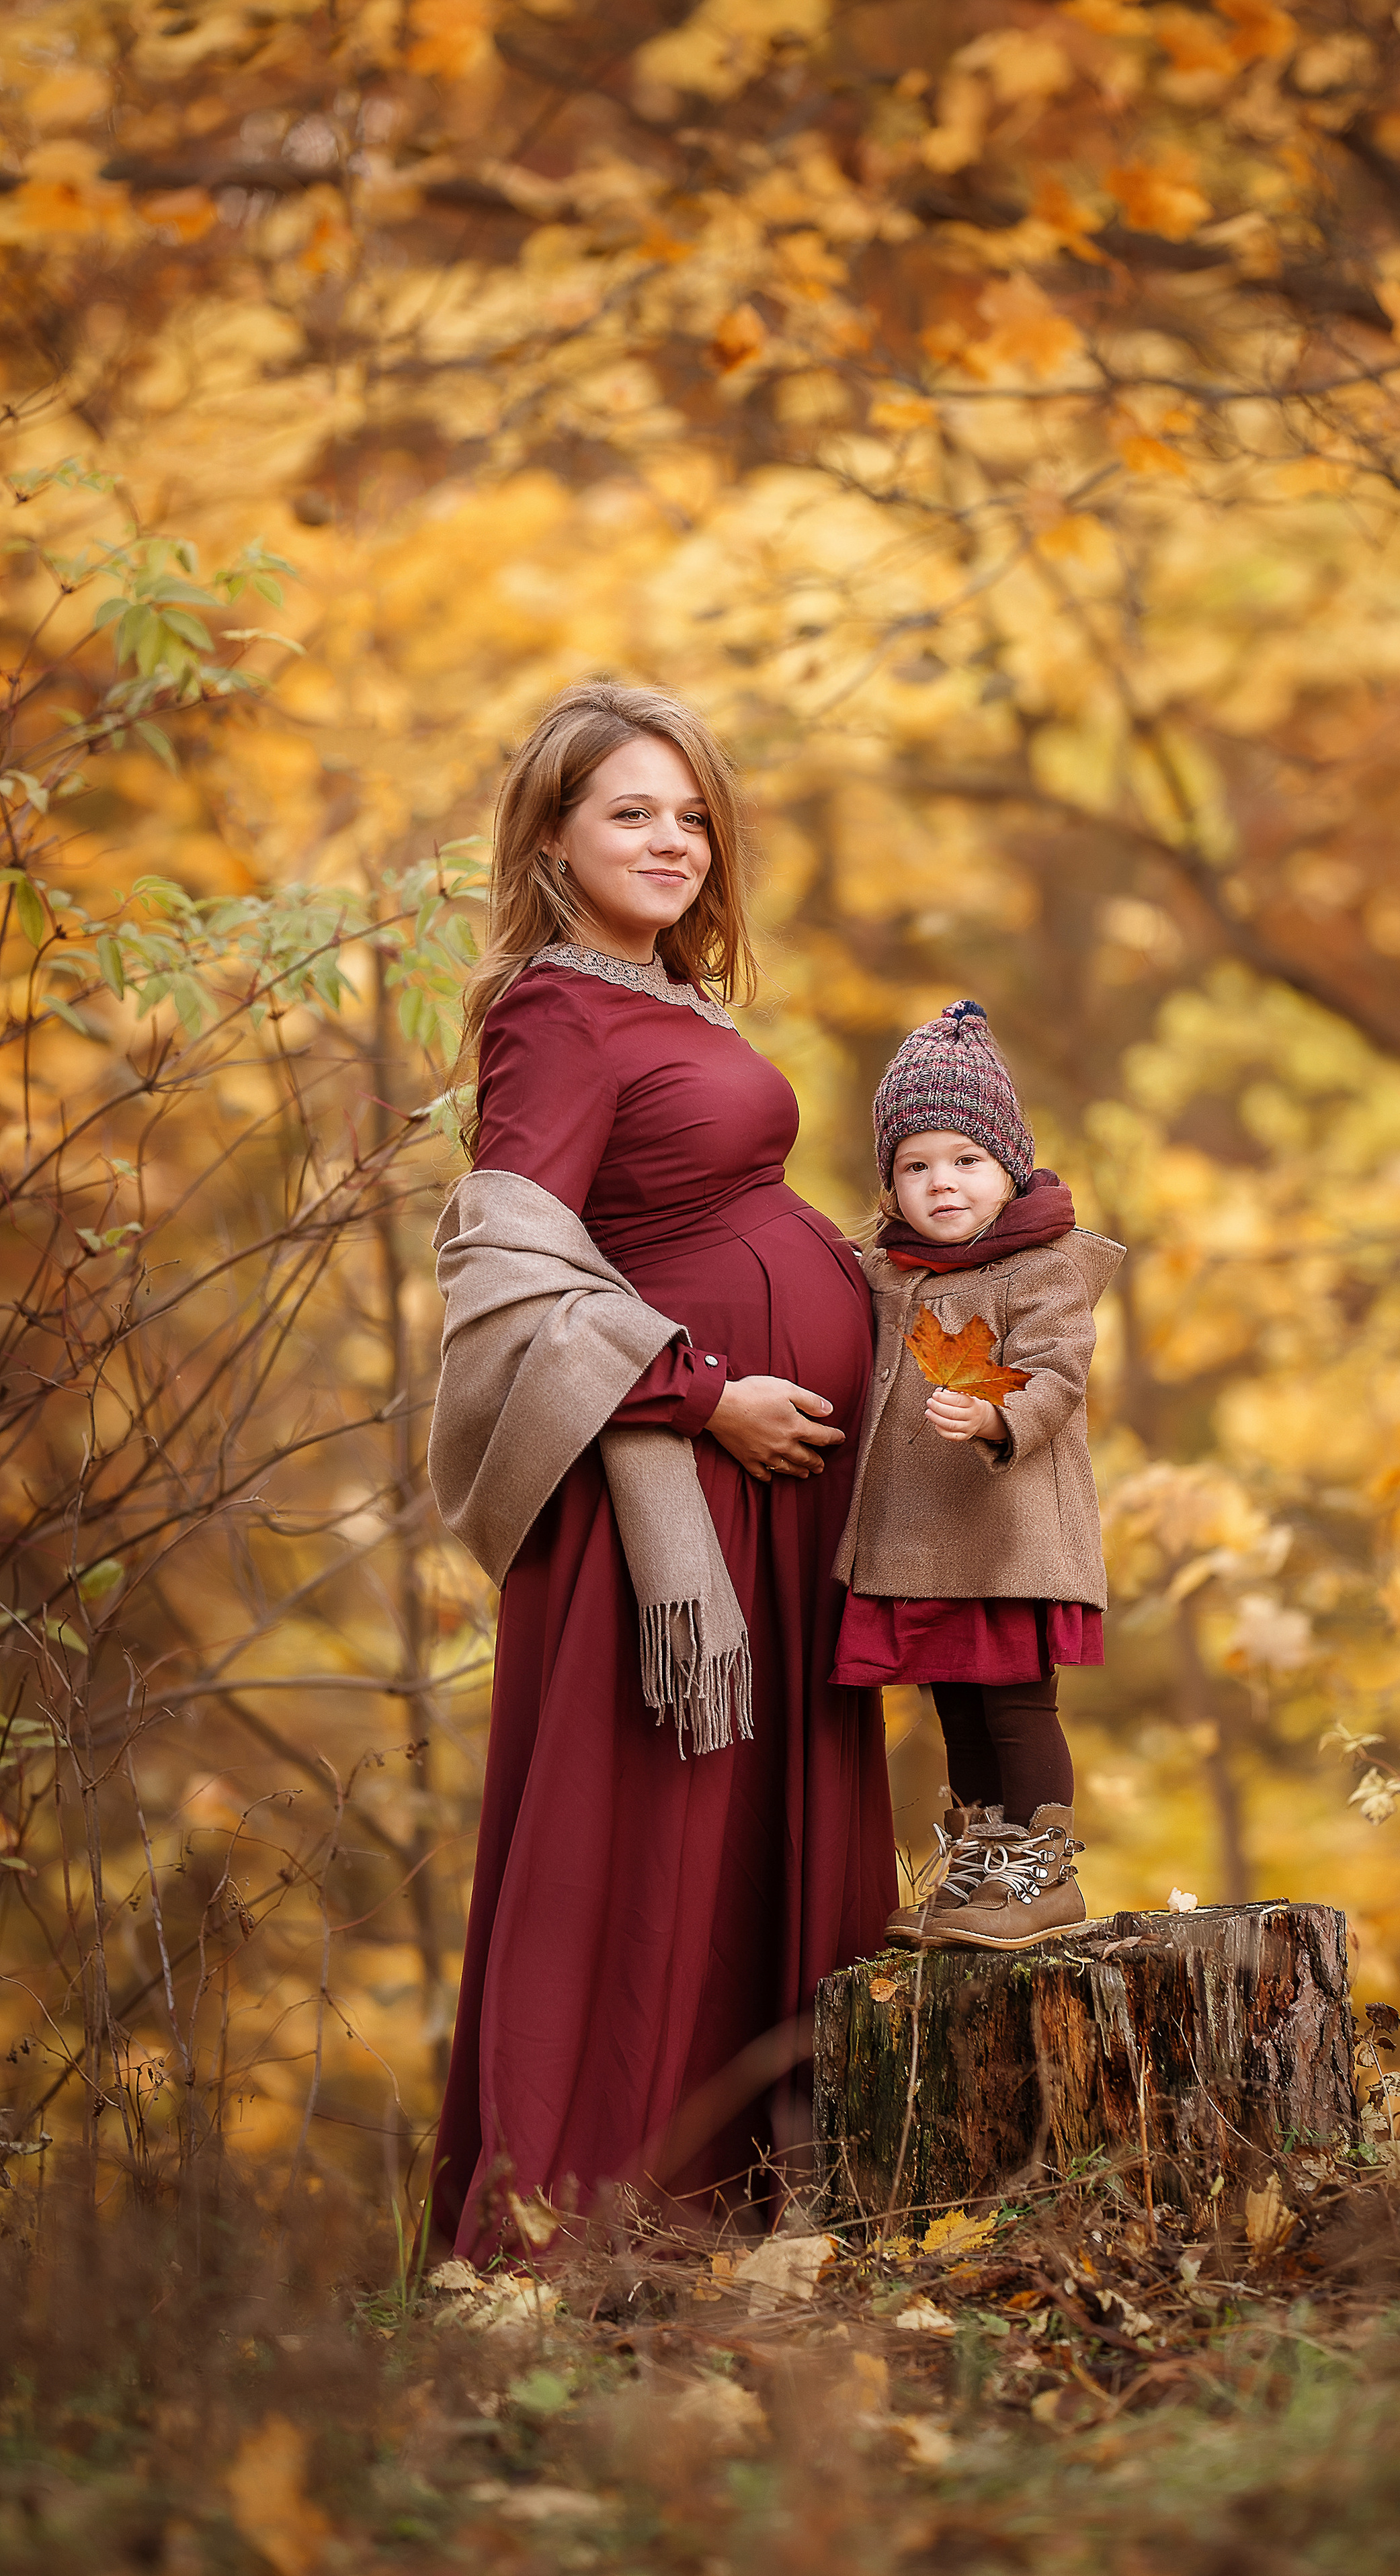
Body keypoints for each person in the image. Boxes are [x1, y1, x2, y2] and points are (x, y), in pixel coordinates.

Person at [427, 681, 896, 2255]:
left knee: (752, 1839)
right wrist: (702, 1398)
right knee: (635, 1856)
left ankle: (756, 2213)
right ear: (551, 836)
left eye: (691, 814)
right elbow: (506, 1267)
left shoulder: (662, 999)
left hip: (772, 1495)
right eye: (630, 810)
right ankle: (571, 2237)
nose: (671, 839)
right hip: (673, 1507)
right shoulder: (553, 1013)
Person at [831, 1000, 1122, 1949]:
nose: (940, 1183)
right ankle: (983, 1865)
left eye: (964, 1160)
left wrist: (998, 1416)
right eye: (914, 1166)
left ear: (1010, 1165)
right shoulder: (889, 1271)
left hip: (1007, 1534)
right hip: (919, 1543)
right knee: (952, 1698)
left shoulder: (1040, 1270)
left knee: (1013, 1700)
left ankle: (1041, 1874)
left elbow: (1058, 1376)